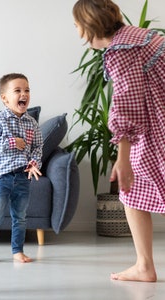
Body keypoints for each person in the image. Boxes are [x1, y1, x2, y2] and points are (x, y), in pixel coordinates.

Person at [73, 0, 165, 282]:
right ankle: (144, 265)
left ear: (89, 26)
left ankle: (144, 266)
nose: (76, 33)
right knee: (133, 192)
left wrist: (122, 159)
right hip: (155, 121)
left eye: (77, 25)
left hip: (156, 126)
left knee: (130, 188)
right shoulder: (143, 36)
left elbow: (126, 104)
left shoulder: (122, 51)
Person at [0, 73, 43, 264]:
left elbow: (38, 147)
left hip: (23, 177)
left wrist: (34, 163)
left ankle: (17, 251)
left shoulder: (32, 123)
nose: (24, 94)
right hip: (1, 177)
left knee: (20, 217)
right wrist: (13, 142)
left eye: (27, 90)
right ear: (5, 98)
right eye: (17, 91)